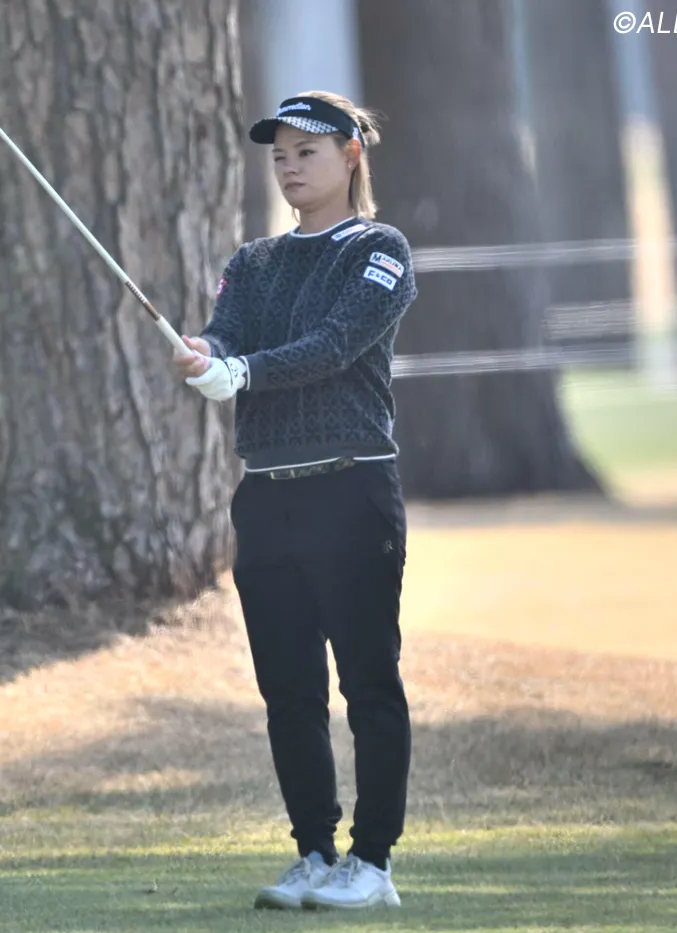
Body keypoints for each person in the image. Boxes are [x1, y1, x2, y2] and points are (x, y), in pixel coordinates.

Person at [173, 91, 417, 911]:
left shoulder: (379, 250)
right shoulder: (254, 262)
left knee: (369, 680)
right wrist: (207, 351)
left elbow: (335, 345)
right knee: (289, 689)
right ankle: (314, 850)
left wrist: (241, 371)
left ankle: (372, 862)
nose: (288, 166)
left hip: (351, 486)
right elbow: (230, 331)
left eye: (305, 151)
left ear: (350, 155)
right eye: (279, 154)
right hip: (267, 496)